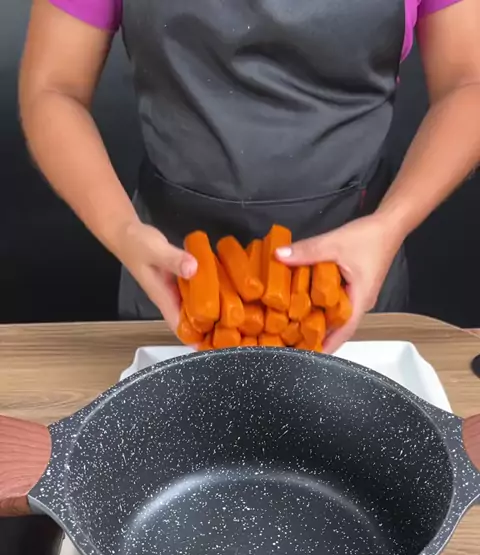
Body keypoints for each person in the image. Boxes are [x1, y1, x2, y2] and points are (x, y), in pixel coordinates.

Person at [20, 0, 480, 351]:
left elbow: (468, 83)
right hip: (174, 283)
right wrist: (122, 231)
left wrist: (391, 224)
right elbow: (54, 88)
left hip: (349, 287)